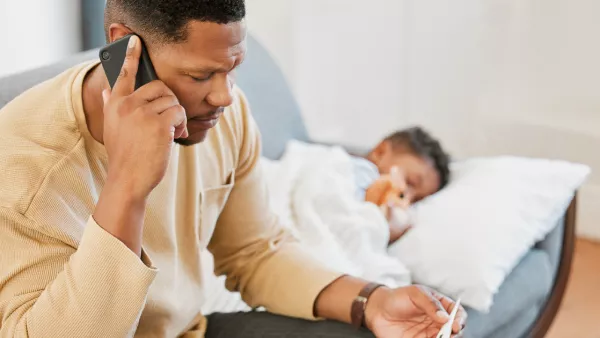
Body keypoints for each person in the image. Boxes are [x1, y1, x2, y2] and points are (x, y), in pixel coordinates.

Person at [0, 1, 466, 337]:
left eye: (233, 68)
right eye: (202, 75)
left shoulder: (222, 113)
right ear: (126, 49)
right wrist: (127, 187)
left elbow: (254, 251)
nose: (225, 97)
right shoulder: (23, 165)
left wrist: (373, 302)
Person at [353, 127, 451, 243]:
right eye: (410, 182)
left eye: (415, 201)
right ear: (380, 153)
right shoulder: (357, 171)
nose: (407, 199)